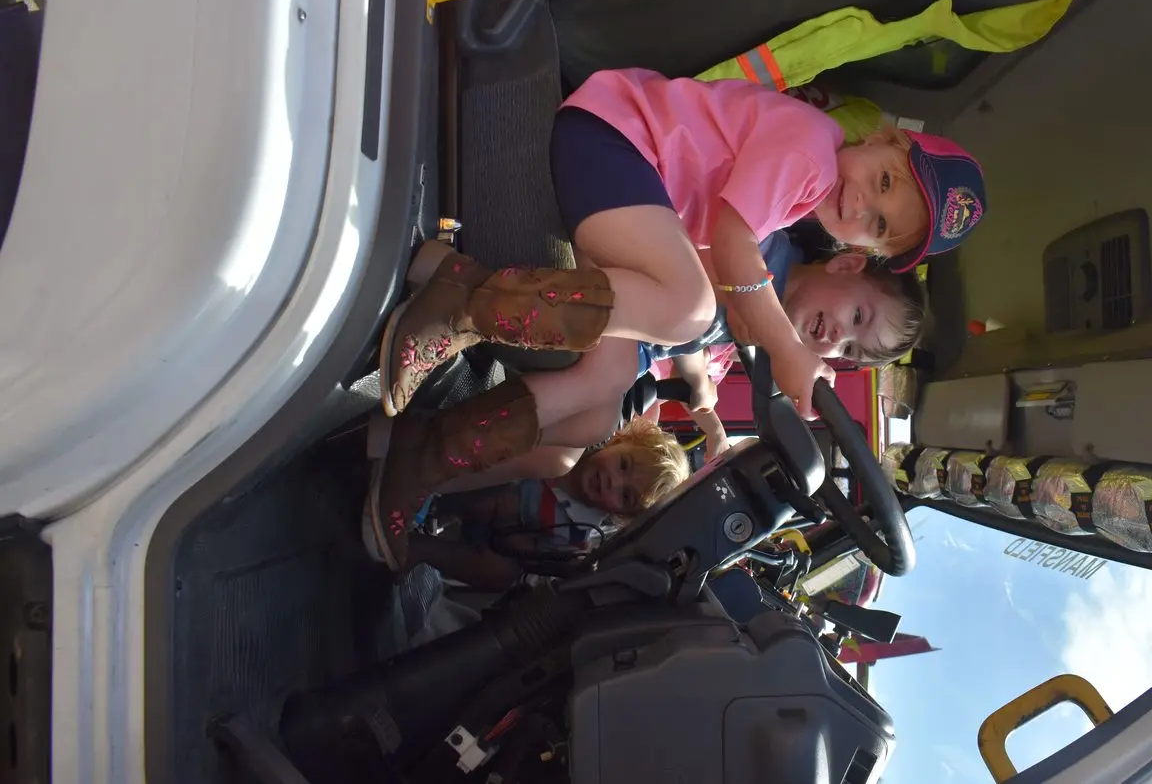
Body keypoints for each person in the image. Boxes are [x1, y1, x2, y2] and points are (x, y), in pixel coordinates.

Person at [379, 68, 985, 425]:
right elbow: (731, 245)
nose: (860, 208)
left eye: (878, 225)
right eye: (883, 182)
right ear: (881, 139)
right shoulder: (810, 151)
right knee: (688, 309)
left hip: (630, 181)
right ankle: (464, 306)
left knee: (607, 388)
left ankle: (435, 442)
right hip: (616, 138)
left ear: (867, 249)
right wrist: (789, 352)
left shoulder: (811, 189)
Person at [363, 230, 931, 570]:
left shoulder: (761, 324)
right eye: (857, 317)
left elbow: (692, 338)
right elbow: (691, 296)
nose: (837, 340)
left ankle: (424, 457)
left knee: (579, 439)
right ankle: (433, 434)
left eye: (851, 351)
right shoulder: (763, 253)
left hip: (638, 327)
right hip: (620, 287)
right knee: (603, 393)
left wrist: (703, 394)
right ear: (847, 264)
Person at [365, 417, 688, 578]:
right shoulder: (574, 442)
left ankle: (416, 550)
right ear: (621, 439)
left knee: (502, 574)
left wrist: (513, 532)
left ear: (624, 517)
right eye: (623, 464)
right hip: (483, 478)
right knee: (496, 489)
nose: (612, 482)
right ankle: (422, 487)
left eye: (626, 496)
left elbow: (534, 554)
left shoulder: (579, 534)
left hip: (496, 531)